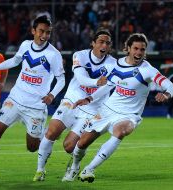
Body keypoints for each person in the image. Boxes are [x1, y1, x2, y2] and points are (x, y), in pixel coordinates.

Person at [67, 33, 173, 183]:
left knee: (121, 131)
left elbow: (171, 86)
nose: (139, 53)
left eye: (142, 50)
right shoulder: (115, 65)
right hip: (106, 110)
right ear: (128, 49)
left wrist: (166, 94)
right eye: (136, 48)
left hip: (129, 115)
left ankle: (89, 169)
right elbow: (109, 85)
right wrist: (88, 98)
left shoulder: (148, 70)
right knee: (82, 143)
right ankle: (74, 166)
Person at [0, 15, 65, 180]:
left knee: (31, 147)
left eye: (48, 33)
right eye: (41, 31)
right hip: (15, 99)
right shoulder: (25, 45)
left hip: (36, 106)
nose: (44, 36)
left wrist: (52, 94)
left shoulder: (54, 54)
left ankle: (47, 135)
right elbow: (14, 61)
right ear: (33, 31)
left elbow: (61, 79)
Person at [34, 28, 117, 182]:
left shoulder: (114, 64)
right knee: (51, 132)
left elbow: (107, 87)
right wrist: (96, 82)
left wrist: (90, 98)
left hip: (92, 108)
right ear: (93, 43)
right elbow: (81, 78)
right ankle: (40, 170)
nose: (104, 45)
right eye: (101, 42)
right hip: (72, 100)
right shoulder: (79, 55)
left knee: (69, 146)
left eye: (107, 43)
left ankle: (75, 167)